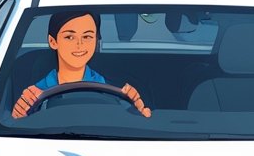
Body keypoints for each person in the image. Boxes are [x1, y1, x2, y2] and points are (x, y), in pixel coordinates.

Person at [11, 11, 150, 119]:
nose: (79, 45)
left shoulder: (115, 92)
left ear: (96, 41)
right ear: (53, 41)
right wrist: (19, 115)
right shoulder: (34, 94)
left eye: (87, 36)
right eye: (69, 37)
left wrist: (138, 114)